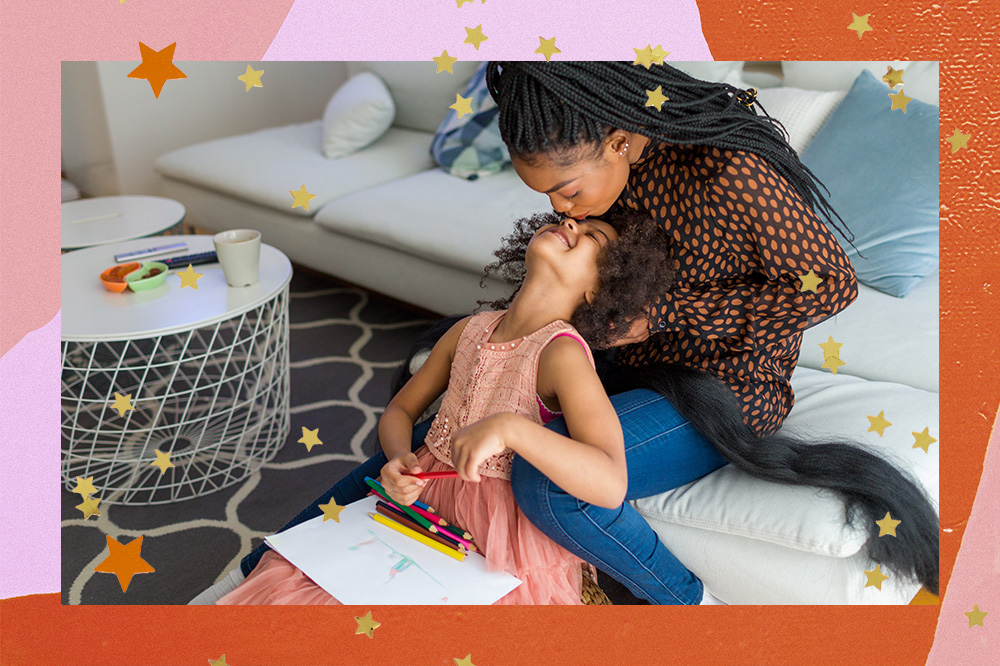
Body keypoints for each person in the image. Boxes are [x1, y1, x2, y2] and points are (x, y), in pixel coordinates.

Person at [196, 61, 937, 605]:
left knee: (551, 490)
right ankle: (273, 561)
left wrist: (671, 317)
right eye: (544, 196)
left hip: (721, 384)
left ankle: (687, 606)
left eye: (565, 190)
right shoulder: (614, 173)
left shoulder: (728, 172)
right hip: (617, 360)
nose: (562, 211)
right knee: (430, 435)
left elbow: (829, 285)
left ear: (618, 139)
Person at [214, 210, 679, 605]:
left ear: (599, 292)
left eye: (592, 237)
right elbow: (400, 413)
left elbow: (610, 481)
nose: (571, 222)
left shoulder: (562, 354)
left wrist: (511, 430)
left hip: (500, 541)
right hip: (424, 515)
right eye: (569, 219)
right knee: (317, 596)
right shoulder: (469, 330)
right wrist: (400, 458)